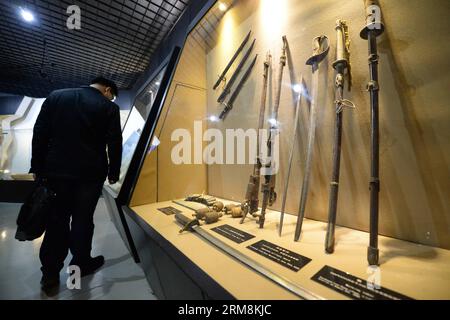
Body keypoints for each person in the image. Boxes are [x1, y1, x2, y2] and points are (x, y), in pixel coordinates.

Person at [30, 77, 122, 291]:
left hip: (56, 172)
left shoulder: (56, 96)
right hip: (90, 175)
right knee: (82, 222)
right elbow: (114, 142)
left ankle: (50, 277)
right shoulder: (108, 107)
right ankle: (78, 269)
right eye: (112, 95)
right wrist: (113, 173)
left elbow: (40, 132)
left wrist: (37, 166)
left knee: (56, 222)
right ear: (107, 90)